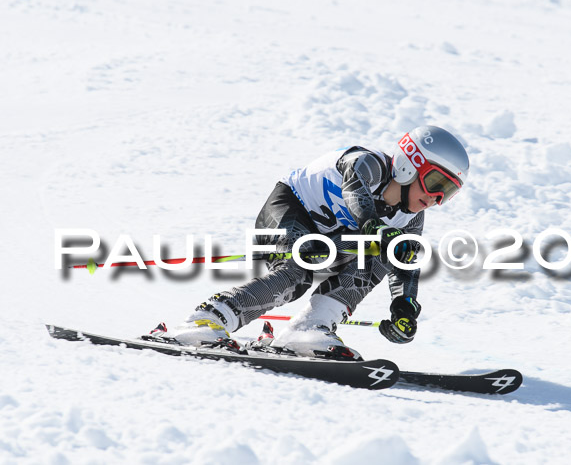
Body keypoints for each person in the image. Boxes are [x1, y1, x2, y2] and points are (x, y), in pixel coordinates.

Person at [148, 125, 470, 360]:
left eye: (449, 192)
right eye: (435, 182)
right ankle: (208, 319)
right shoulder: (369, 163)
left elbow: (405, 263)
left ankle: (311, 328)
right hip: (287, 210)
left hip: (332, 239)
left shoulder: (411, 218)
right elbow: (355, 191)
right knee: (300, 271)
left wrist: (404, 307)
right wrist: (374, 228)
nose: (436, 198)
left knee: (384, 253)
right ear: (408, 164)